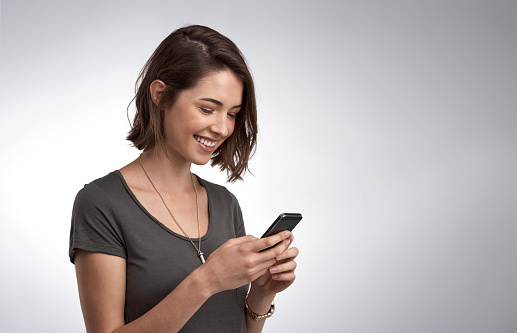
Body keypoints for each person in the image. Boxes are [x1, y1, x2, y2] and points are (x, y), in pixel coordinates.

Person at [69, 25, 299, 332]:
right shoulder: (102, 204)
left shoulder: (225, 203)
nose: (222, 128)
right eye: (207, 109)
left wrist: (261, 293)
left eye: (232, 113)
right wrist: (207, 280)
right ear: (161, 95)